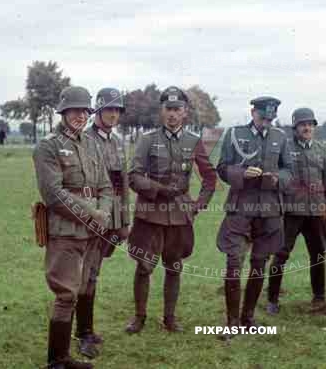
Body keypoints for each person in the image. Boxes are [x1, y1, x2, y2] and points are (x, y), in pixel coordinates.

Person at [33, 86, 113, 368]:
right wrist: (93, 213)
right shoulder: (49, 146)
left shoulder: (90, 143)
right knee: (66, 294)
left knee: (84, 286)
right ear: (63, 111)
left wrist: (103, 212)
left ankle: (69, 351)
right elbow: (53, 194)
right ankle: (57, 361)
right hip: (65, 232)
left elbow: (105, 184)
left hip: (92, 231)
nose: (81, 115)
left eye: (85, 111)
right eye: (75, 110)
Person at [125, 86, 216, 333]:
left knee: (174, 266)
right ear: (161, 111)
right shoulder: (147, 140)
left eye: (177, 110)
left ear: (185, 112)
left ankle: (170, 318)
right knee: (144, 266)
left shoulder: (193, 141)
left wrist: (198, 205)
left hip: (179, 215)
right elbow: (133, 176)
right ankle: (140, 317)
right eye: (168, 109)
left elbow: (209, 178)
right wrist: (159, 189)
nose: (172, 115)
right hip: (150, 215)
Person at [216, 96, 293, 339]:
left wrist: (278, 178)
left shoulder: (281, 137)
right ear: (253, 112)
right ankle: (232, 323)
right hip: (240, 208)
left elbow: (289, 170)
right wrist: (242, 173)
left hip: (269, 210)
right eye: (262, 117)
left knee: (260, 263)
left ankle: (248, 318)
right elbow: (222, 168)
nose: (266, 122)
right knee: (234, 263)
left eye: (270, 118)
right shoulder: (234, 134)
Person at [72, 88, 131, 358]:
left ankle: (87, 329)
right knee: (85, 276)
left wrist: (123, 221)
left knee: (93, 275)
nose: (113, 114)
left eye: (117, 110)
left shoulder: (118, 141)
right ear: (98, 110)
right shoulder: (84, 139)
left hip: (112, 218)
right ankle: (83, 334)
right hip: (91, 217)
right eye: (109, 109)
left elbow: (123, 184)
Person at [266, 108, 326, 315]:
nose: (307, 128)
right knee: (281, 254)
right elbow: (276, 178)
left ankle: (319, 298)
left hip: (315, 210)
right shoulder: (284, 147)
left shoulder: (320, 149)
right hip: (290, 210)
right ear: (295, 128)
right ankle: (272, 299)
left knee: (318, 254)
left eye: (310, 124)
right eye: (302, 124)